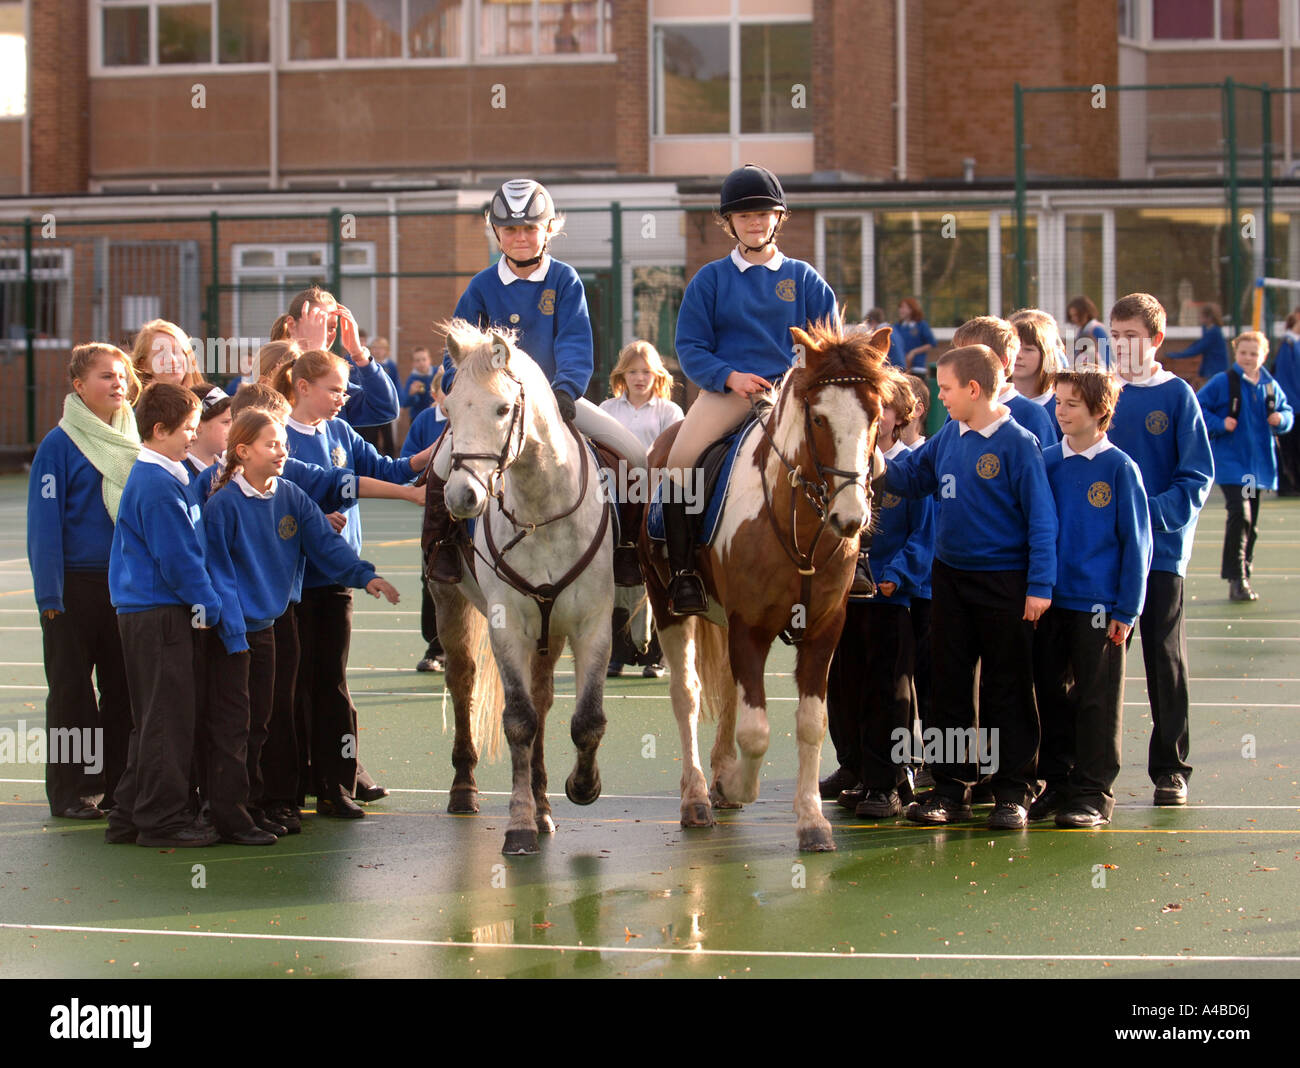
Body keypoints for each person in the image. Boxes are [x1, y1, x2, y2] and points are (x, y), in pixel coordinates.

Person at [426, 178, 647, 584]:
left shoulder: (565, 280)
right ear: (496, 232)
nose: (521, 237)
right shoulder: (481, 286)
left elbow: (576, 342)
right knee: (442, 465)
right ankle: (440, 548)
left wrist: (564, 391)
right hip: (495, 412)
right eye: (510, 229)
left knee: (634, 456)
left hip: (555, 404)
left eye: (530, 227)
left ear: (548, 229)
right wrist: (458, 386)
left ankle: (629, 551)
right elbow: (456, 348)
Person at [201, 409, 402, 845]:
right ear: (242, 451)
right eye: (271, 444)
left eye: (284, 444)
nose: (282, 451)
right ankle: (230, 814)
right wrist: (234, 633)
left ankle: (259, 805)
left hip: (274, 626)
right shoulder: (223, 506)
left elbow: (326, 545)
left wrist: (365, 575)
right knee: (238, 723)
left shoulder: (291, 495)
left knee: (266, 721)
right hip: (236, 634)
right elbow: (219, 575)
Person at [885, 345, 1057, 829]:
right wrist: (872, 465)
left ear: (974, 389)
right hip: (950, 579)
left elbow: (1042, 519)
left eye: (945, 389)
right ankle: (950, 789)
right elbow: (913, 478)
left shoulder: (1018, 443)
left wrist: (1039, 585)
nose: (939, 397)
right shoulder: (948, 436)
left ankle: (1011, 790)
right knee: (949, 687)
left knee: (1007, 686)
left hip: (1004, 582)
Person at [666, 164, 838, 615]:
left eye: (764, 214)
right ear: (729, 224)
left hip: (795, 396)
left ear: (778, 218)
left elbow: (830, 347)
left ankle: (856, 562)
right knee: (680, 462)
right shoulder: (710, 279)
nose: (755, 222)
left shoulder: (805, 279)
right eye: (744, 216)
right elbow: (690, 347)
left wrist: (797, 381)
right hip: (730, 393)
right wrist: (730, 377)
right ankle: (685, 573)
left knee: (862, 458)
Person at [274, 349, 435, 818]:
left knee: (331, 684)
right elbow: (320, 488)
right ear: (302, 386)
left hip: (336, 577)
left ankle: (338, 782)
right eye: (334, 389)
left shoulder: (340, 432)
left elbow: (384, 467)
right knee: (293, 685)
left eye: (346, 390)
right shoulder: (279, 436)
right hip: (293, 581)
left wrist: (429, 453)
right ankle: (293, 783)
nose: (343, 398)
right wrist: (314, 519)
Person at [1106, 292, 1214, 807]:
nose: (1122, 346)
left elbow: (1195, 477)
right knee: (1100, 664)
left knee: (1164, 661)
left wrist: (1146, 514)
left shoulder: (1177, 397)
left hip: (1161, 555)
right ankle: (1090, 769)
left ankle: (1171, 768)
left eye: (1131, 337)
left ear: (1155, 340)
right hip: (1103, 557)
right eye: (1115, 336)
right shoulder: (1100, 392)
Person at [1031, 371, 1152, 828]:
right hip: (1051, 603)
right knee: (1051, 696)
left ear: (1100, 412)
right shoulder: (1046, 462)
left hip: (1099, 607)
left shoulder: (1120, 468)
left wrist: (1127, 608)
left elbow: (1136, 544)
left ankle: (1092, 793)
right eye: (1058, 402)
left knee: (1096, 699)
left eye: (1072, 404)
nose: (1060, 411)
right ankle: (1057, 784)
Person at [105, 383, 223, 847]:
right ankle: (162, 818)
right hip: (158, 615)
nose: (193, 438)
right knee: (168, 718)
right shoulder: (156, 485)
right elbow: (178, 560)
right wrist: (209, 604)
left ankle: (131, 811)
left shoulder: (162, 475)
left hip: (146, 613)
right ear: (158, 430)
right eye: (187, 430)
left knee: (153, 717)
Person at [27, 343, 140, 820]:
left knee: (123, 691)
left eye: (121, 375)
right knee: (72, 692)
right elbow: (45, 524)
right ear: (78, 387)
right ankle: (74, 791)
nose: (117, 383)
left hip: (126, 588)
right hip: (73, 589)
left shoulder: (135, 441)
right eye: (104, 377)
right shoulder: (59, 445)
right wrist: (50, 593)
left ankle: (121, 786)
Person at [825, 377, 931, 817]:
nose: (878, 416)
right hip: (845, 599)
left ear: (901, 417)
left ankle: (886, 783)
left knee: (888, 692)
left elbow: (925, 535)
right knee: (843, 685)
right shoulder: (842, 467)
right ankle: (853, 769)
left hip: (890, 599)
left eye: (886, 409)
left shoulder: (910, 467)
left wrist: (894, 575)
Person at [600, 340, 683, 677]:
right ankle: (617, 654)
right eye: (633, 371)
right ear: (623, 374)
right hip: (617, 501)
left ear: (656, 375)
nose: (639, 378)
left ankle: (656, 657)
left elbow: (676, 456)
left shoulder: (670, 412)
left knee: (657, 572)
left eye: (646, 371)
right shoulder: (607, 409)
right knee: (615, 576)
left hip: (655, 502)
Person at [1196, 331, 1293, 602]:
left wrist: (1280, 419)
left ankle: (1244, 573)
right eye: (1243, 353)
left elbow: (1287, 413)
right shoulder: (1223, 382)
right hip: (1231, 463)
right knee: (1241, 514)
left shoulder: (1270, 386)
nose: (1248, 358)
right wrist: (1220, 424)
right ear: (1235, 353)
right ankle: (1235, 577)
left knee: (1251, 522)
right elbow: (1198, 408)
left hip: (1257, 467)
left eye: (1254, 354)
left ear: (1264, 355)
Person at [270, 286, 400, 431]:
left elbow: (385, 409)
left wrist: (359, 355)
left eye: (331, 327)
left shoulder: (333, 379)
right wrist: (313, 353)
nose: (324, 334)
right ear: (292, 325)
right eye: (318, 323)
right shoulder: (271, 363)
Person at [402, 370, 450, 673]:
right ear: (435, 395)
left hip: (480, 513)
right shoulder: (424, 422)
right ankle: (436, 647)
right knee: (432, 579)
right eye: (447, 391)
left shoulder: (478, 414)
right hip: (437, 514)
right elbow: (407, 461)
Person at [952, 316, 1057, 448]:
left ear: (1002, 361)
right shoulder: (960, 407)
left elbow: (1045, 463)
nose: (959, 365)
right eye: (958, 357)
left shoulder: (1033, 414)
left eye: (970, 357)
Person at [1009, 308, 1066, 442]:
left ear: (1046, 355)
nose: (1018, 355)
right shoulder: (993, 402)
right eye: (1014, 348)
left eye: (1028, 349)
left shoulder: (1061, 403)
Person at [1270, 309, 1300, 495]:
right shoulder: (1289, 345)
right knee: (1290, 448)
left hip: (1295, 404)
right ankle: (1287, 484)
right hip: (1294, 405)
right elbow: (1288, 379)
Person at [130, 319, 201, 394]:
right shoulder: (142, 405)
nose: (173, 360)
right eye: (162, 354)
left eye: (177, 351)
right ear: (144, 365)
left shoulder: (208, 400)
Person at [1166, 302, 1229, 385]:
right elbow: (1198, 344)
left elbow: (1198, 348)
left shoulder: (1213, 332)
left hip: (1215, 370)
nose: (1199, 318)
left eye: (1201, 315)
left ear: (1209, 317)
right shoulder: (1208, 330)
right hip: (1211, 370)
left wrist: (1176, 355)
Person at [184, 383, 232, 479]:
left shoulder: (230, 469)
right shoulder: (181, 474)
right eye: (226, 422)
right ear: (198, 425)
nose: (233, 428)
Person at [1066, 295, 1110, 370]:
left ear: (1086, 313)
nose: (1073, 319)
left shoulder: (1097, 330)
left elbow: (1106, 357)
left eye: (1076, 315)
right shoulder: (1081, 330)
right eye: (1071, 316)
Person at [894, 297, 936, 373]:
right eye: (900, 308)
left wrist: (913, 352)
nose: (900, 310)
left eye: (903, 307)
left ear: (911, 309)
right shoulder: (897, 327)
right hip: (901, 369)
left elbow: (931, 344)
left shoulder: (921, 325)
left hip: (918, 368)